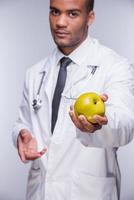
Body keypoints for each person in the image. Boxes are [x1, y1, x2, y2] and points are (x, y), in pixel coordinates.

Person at [12, 0, 134, 199]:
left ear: (90, 18)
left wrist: (99, 125)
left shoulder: (115, 66)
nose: (60, 22)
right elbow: (23, 121)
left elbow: (126, 125)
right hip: (39, 192)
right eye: (54, 12)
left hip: (88, 192)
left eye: (72, 14)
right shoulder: (35, 72)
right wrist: (21, 135)